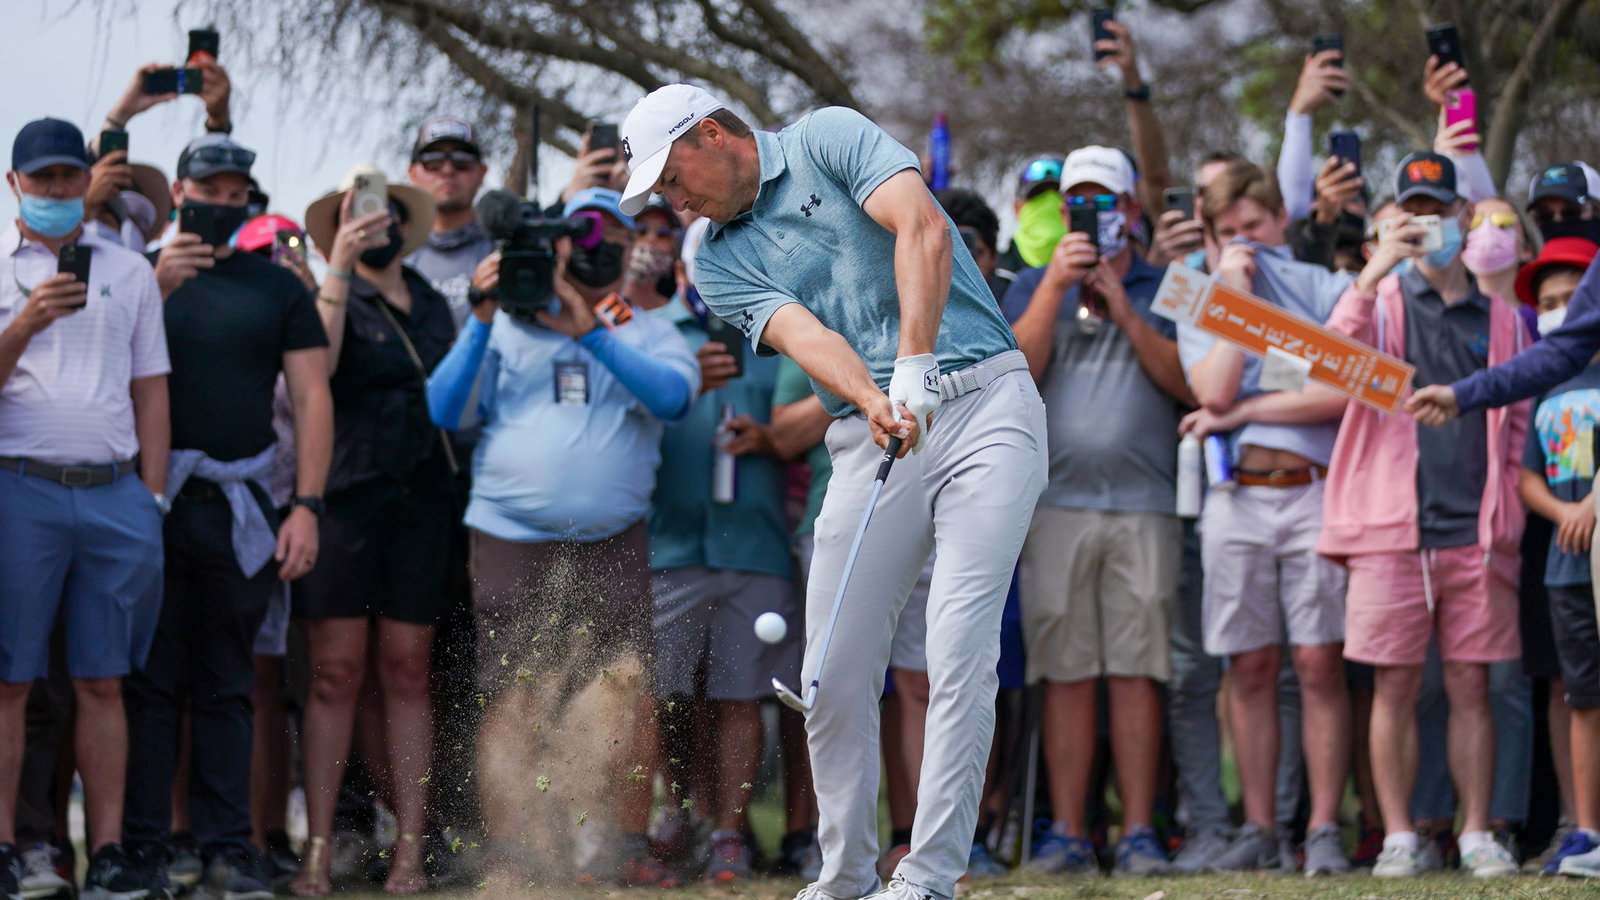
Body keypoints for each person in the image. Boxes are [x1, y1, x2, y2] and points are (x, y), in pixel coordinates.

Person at [619, 83, 1047, 900]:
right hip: (875, 432)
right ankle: (844, 872)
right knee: (831, 668)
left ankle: (927, 876)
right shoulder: (712, 256)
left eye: (673, 178)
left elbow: (921, 231)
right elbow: (806, 336)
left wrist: (916, 363)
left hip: (988, 406)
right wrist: (880, 395)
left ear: (713, 135)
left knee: (958, 645)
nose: (673, 203)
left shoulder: (830, 138)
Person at [426, 187, 698, 887]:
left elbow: (673, 399)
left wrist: (593, 333)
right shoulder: (506, 323)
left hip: (612, 539)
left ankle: (620, 846)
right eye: (583, 230)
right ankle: (518, 854)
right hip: (511, 537)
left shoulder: (645, 327)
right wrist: (482, 318)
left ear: (632, 242)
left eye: (613, 230)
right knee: (515, 692)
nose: (597, 242)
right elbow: (443, 408)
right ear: (559, 243)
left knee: (625, 690)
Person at [124, 132, 332, 900]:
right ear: (178, 194)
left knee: (229, 683)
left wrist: (305, 506)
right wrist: (157, 284)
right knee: (145, 684)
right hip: (145, 502)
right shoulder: (135, 275)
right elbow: (95, 373)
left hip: (241, 504)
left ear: (249, 199)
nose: (219, 201)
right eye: (205, 189)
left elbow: (312, 397)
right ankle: (144, 846)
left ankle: (229, 846)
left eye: (232, 192)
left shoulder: (276, 287)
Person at [1320, 151, 1525, 879]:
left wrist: (1504, 520)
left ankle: (1474, 832)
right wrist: (1375, 269)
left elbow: (1518, 423)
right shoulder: (1383, 304)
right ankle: (1401, 834)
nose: (1429, 222)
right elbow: (1333, 362)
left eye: (1440, 209)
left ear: (1466, 217)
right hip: (1389, 531)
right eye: (1415, 209)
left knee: (1473, 686)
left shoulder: (1503, 317)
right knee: (1395, 686)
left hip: (1475, 532)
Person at [1001, 146, 1191, 877]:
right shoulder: (1028, 284)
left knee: (1138, 671)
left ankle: (1141, 831)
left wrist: (1123, 306)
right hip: (1056, 508)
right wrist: (1056, 285)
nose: (1091, 214)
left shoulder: (1166, 284)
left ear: (1131, 212)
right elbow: (1017, 371)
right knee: (1068, 672)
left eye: (1104, 201)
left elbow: (1189, 383)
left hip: (1146, 507)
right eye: (1078, 201)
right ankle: (1070, 833)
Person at [0, 117, 169, 900]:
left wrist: (154, 494)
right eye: (45, 178)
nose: (60, 190)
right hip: (18, 489)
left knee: (104, 682)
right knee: (11, 682)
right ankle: (7, 849)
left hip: (114, 495)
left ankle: (105, 854)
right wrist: (26, 322)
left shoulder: (130, 271)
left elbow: (150, 388)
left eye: (71, 176)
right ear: (15, 186)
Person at [1175, 158, 1353, 876]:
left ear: (1281, 218)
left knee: (1316, 662)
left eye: (1254, 226)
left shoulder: (1326, 286)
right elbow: (1212, 391)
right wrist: (1235, 296)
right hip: (1235, 499)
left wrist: (1250, 409)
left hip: (1315, 490)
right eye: (1228, 232)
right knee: (1247, 666)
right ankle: (1260, 827)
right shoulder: (1196, 293)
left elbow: (1343, 389)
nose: (1245, 240)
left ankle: (1324, 829)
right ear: (1212, 238)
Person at [288, 166, 454, 895]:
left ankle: (411, 853)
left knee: (408, 670)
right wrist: (337, 269)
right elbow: (314, 373)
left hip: (423, 503)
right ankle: (318, 853)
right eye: (358, 216)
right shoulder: (327, 295)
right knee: (334, 674)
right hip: (345, 501)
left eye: (383, 215)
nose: (374, 224)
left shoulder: (432, 305)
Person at [638, 202, 795, 882]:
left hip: (754, 544)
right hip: (669, 545)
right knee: (665, 697)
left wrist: (770, 437)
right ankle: (677, 813)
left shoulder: (780, 338)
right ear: (680, 270)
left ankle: (731, 833)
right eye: (704, 264)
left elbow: (806, 411)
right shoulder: (648, 335)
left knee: (738, 696)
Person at [1510, 237, 1600, 877]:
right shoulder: (1545, 383)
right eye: (1549, 303)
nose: (1562, 311)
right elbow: (1526, 477)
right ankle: (1587, 831)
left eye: (1574, 298)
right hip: (1567, 567)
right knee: (1583, 697)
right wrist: (1567, 511)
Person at [405, 116, 493, 326]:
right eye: (433, 162)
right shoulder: (394, 252)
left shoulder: (503, 246)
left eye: (462, 162)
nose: (447, 170)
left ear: (482, 173)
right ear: (412, 173)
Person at [933, 188, 1007, 304]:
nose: (964, 266)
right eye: (952, 255)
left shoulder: (1014, 298)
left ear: (994, 257)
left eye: (972, 254)